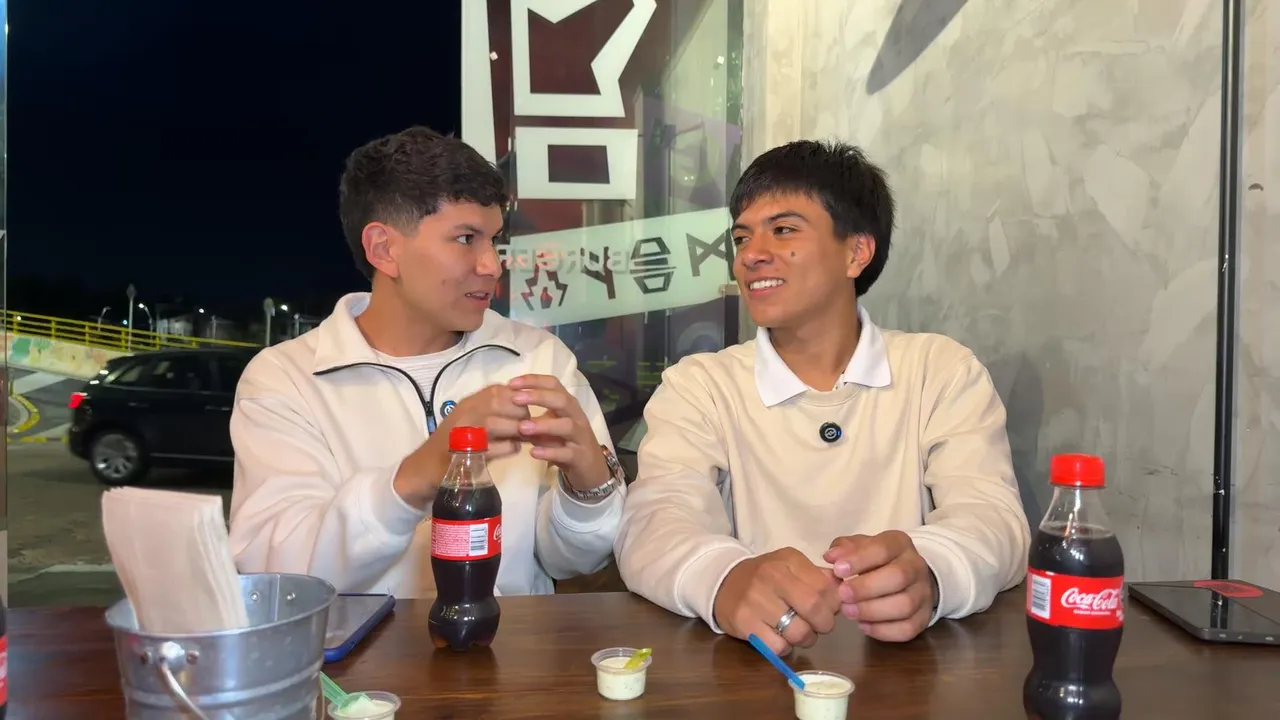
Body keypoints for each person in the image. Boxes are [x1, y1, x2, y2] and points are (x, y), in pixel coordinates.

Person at [614, 140, 1029, 652]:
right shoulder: (700, 385)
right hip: (758, 666)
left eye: (783, 230)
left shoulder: (939, 371)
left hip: (907, 669)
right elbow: (654, 522)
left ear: (856, 252)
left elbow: (994, 520)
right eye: (741, 237)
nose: (750, 255)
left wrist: (932, 570)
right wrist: (724, 579)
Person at [228, 127, 627, 598]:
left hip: (510, 645)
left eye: (494, 240)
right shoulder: (287, 379)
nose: (492, 265)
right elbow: (275, 573)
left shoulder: (538, 360)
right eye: (466, 238)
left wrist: (588, 488)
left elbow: (571, 559)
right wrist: (421, 472)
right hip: (355, 649)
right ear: (384, 249)